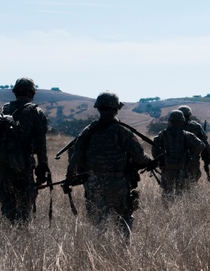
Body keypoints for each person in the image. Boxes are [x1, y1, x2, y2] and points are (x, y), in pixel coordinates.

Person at [65, 91, 155, 240]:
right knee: (124, 217)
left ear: (98, 108)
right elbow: (139, 157)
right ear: (116, 108)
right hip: (118, 183)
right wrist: (150, 161)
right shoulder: (122, 131)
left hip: (93, 184)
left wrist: (69, 178)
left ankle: (100, 250)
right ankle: (123, 250)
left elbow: (74, 158)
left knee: (98, 222)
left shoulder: (87, 131)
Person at [0, 77, 50, 226]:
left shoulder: (3, 109)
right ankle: (21, 233)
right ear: (32, 93)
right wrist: (42, 171)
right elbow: (41, 144)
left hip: (3, 165)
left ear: (15, 92)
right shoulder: (35, 112)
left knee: (7, 201)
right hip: (23, 164)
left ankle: (7, 233)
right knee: (24, 203)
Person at [152, 110, 206, 202]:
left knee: (167, 192)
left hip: (167, 169)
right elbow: (201, 146)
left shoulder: (162, 135)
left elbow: (154, 150)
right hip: (182, 168)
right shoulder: (187, 135)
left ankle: (166, 211)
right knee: (181, 192)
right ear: (182, 121)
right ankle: (180, 211)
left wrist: (160, 160)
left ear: (170, 121)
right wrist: (191, 155)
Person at [178, 105, 210, 181]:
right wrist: (207, 158)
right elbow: (205, 144)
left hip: (173, 160)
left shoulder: (172, 127)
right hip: (192, 160)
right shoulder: (195, 126)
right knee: (192, 182)